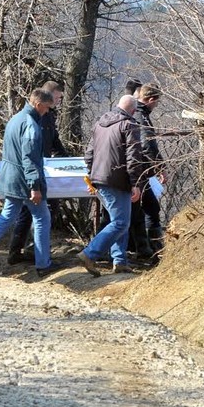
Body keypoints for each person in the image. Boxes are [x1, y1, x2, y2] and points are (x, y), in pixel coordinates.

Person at [0, 89, 55, 282]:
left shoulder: (15, 119)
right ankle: (43, 264)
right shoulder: (31, 126)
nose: (48, 112)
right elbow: (30, 159)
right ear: (38, 104)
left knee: (7, 216)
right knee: (42, 217)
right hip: (24, 180)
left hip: (10, 178)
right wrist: (35, 186)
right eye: (47, 108)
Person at [77, 95, 144, 276]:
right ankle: (89, 254)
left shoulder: (100, 123)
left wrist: (92, 175)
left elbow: (88, 154)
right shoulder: (130, 125)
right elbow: (133, 157)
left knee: (119, 220)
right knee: (121, 222)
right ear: (133, 111)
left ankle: (120, 261)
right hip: (117, 180)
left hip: (99, 178)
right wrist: (135, 183)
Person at [7, 80, 67, 265]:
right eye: (57, 97)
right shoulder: (36, 117)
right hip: (33, 171)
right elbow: (31, 150)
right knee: (37, 213)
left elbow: (53, 138)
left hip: (41, 167)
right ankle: (34, 254)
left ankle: (22, 251)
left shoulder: (47, 115)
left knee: (27, 213)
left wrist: (64, 156)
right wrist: (34, 180)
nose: (58, 102)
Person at [133, 83, 166, 257]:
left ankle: (143, 249)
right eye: (156, 102)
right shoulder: (141, 116)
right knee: (151, 209)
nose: (156, 106)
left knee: (136, 211)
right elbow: (147, 145)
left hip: (134, 169)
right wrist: (159, 167)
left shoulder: (134, 112)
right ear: (151, 99)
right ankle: (155, 250)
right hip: (141, 170)